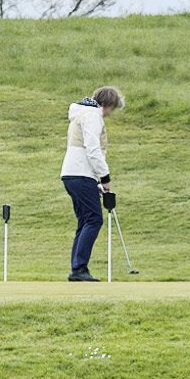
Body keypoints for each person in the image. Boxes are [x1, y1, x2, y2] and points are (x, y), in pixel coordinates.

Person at [61, 86, 124, 281]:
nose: (110, 114)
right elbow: (93, 149)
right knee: (94, 219)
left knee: (85, 221)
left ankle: (77, 269)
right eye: (111, 109)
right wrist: (105, 178)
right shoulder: (92, 115)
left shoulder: (82, 113)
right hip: (80, 174)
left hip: (74, 174)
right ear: (107, 104)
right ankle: (79, 269)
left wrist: (94, 180)